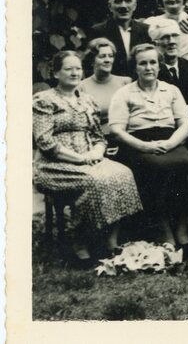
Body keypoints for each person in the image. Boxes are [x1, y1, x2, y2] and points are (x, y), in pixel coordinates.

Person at [33, 51, 142, 265]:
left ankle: (110, 240)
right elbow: (45, 141)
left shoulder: (87, 100)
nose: (75, 73)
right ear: (56, 73)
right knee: (93, 181)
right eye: (68, 69)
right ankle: (80, 241)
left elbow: (98, 136)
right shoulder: (44, 100)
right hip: (54, 164)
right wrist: (79, 159)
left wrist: (96, 153)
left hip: (89, 159)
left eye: (78, 68)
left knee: (123, 174)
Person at [108, 44, 188, 249]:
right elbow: (117, 130)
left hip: (170, 140)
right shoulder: (124, 93)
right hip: (138, 143)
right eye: (143, 63)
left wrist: (171, 143)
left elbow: (185, 124)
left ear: (159, 65)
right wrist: (144, 146)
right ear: (135, 67)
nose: (148, 67)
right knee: (156, 167)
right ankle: (163, 228)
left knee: (186, 164)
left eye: (152, 62)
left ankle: (182, 228)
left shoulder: (171, 90)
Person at [87, 0, 151, 76]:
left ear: (135, 5)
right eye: (118, 1)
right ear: (110, 6)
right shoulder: (98, 31)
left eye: (128, 1)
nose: (123, 6)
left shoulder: (145, 30)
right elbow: (91, 66)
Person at [78, 37, 132, 135]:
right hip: (99, 137)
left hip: (127, 135)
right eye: (102, 56)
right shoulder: (82, 87)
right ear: (92, 60)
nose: (108, 60)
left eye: (110, 56)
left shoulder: (125, 82)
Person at [152, 19, 188, 102]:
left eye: (175, 36)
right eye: (165, 37)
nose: (172, 41)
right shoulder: (152, 72)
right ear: (154, 44)